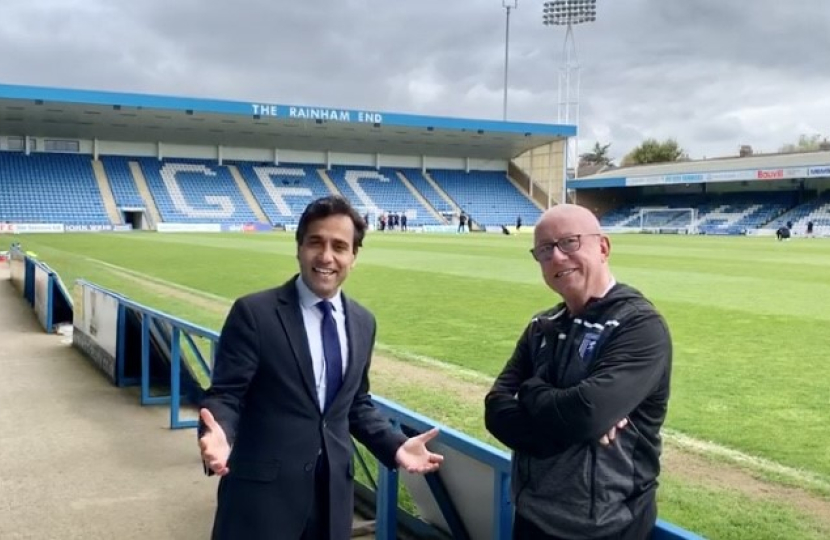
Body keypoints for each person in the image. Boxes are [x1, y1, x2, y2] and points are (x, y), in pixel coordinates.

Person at [199, 195, 444, 540]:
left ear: (353, 257)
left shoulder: (362, 322)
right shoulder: (254, 313)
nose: (327, 256)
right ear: (299, 247)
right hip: (260, 502)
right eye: (316, 242)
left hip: (332, 502)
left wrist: (396, 446)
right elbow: (225, 395)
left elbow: (355, 404)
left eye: (340, 246)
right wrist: (218, 432)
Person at [484, 204, 672, 540]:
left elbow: (585, 414)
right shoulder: (541, 326)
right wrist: (571, 425)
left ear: (603, 247)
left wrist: (530, 392)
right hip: (530, 517)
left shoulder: (638, 325)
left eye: (569, 242)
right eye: (544, 249)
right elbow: (495, 408)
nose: (556, 257)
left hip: (606, 527)